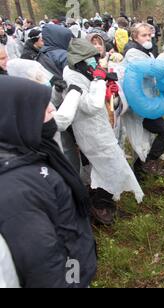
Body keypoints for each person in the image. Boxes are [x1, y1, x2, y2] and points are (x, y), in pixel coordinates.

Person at [0, 76, 97, 287]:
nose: (52, 111)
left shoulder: (29, 153)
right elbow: (44, 269)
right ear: (16, 117)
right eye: (42, 108)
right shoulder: (16, 191)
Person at [64, 38, 143, 225]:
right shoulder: (73, 79)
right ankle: (100, 208)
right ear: (79, 61)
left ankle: (103, 205)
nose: (94, 63)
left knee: (107, 168)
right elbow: (91, 105)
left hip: (100, 131)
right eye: (90, 59)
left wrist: (104, 82)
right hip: (92, 135)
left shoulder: (82, 74)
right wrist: (99, 79)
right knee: (111, 168)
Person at [123, 23, 164, 179]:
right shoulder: (132, 53)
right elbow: (150, 70)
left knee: (146, 138)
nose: (148, 37)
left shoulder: (146, 52)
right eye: (143, 35)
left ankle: (140, 171)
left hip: (148, 102)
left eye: (149, 34)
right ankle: (150, 163)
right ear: (135, 37)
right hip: (139, 106)